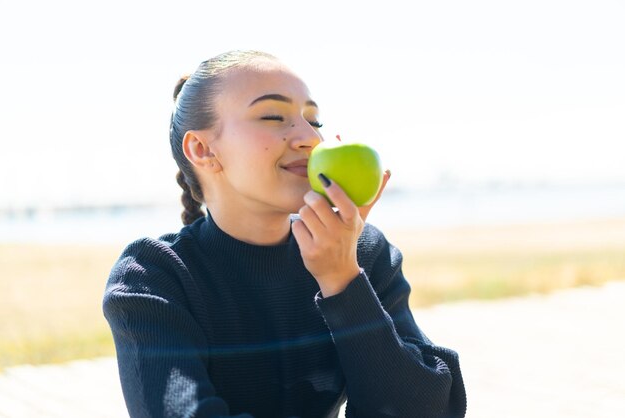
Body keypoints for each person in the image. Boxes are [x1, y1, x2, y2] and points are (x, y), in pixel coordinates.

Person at [103, 50, 466, 418]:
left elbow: (429, 410)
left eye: (315, 120)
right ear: (202, 149)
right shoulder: (153, 276)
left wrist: (342, 282)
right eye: (274, 116)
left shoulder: (359, 253)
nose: (310, 138)